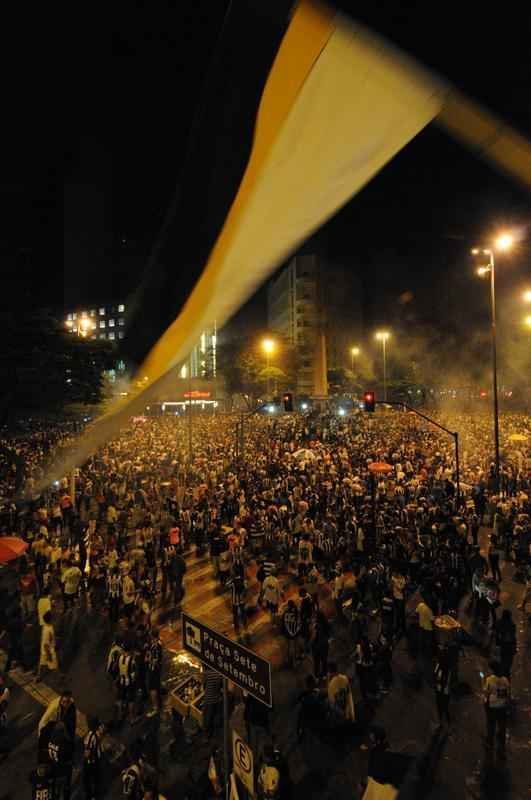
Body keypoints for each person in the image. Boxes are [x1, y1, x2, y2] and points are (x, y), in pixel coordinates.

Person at [484, 662, 510, 758]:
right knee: (501, 726)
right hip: (502, 707)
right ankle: (501, 745)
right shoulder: (505, 680)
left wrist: (485, 703)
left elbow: (486, 693)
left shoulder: (489, 680)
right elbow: (507, 695)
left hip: (492, 706)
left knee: (491, 725)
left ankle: (490, 743)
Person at [83, 716, 104, 800]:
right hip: (96, 759)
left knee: (87, 780)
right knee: (96, 778)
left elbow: (87, 754)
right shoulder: (97, 733)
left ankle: (91, 796)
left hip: (91, 762)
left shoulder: (90, 737)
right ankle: (95, 794)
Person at [494, 609, 517, 678]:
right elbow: (513, 636)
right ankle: (506, 671)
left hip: (502, 644)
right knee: (508, 659)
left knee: (503, 658)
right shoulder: (512, 624)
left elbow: (496, 633)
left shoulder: (499, 623)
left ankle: (502, 671)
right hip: (510, 644)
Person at [37, 610, 58, 682]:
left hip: (44, 651)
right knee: (54, 666)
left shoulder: (46, 626)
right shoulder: (48, 630)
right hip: (48, 651)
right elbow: (46, 644)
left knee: (42, 664)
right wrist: (49, 655)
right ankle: (58, 680)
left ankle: (38, 676)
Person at [433, 646, 452, 727]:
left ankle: (443, 721)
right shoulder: (442, 666)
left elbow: (435, 675)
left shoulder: (442, 667)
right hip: (443, 690)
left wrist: (438, 681)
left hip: (442, 690)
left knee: (442, 706)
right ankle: (443, 721)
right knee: (443, 706)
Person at [281, 600, 301, 667]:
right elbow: (299, 623)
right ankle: (294, 662)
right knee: (295, 647)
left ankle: (287, 659)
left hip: (287, 633)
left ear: (288, 606)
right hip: (295, 633)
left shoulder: (285, 613)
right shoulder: (297, 612)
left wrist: (283, 632)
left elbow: (283, 623)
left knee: (288, 646)